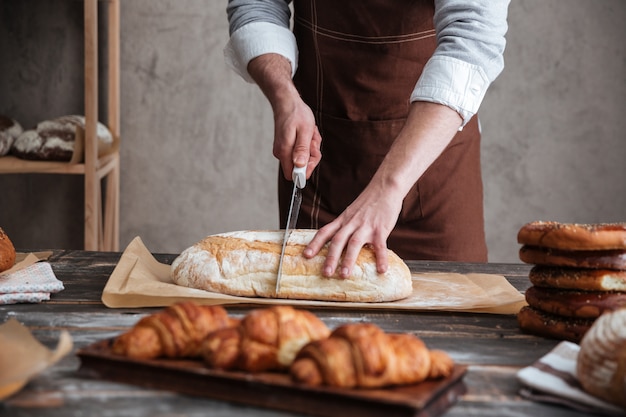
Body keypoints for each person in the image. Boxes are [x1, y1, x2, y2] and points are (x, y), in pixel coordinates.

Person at [225, 0, 510, 278]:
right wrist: (285, 96)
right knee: (312, 322)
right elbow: (257, 3)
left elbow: (472, 39)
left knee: (455, 313)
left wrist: (389, 186)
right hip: (322, 166)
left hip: (436, 171)